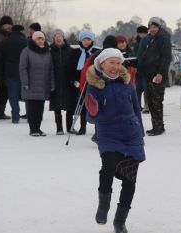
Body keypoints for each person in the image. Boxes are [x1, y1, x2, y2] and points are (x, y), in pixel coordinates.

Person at [84, 48, 145, 233]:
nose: (116, 67)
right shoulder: (95, 85)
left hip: (131, 133)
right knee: (108, 166)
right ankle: (104, 207)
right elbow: (91, 118)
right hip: (108, 132)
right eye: (112, 62)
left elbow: (136, 109)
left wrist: (141, 134)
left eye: (119, 63)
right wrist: (93, 111)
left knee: (130, 180)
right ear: (101, 64)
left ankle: (120, 221)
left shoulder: (128, 83)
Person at [140, 17, 172, 136]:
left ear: (159, 27)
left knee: (156, 101)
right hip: (149, 75)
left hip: (157, 76)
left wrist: (160, 73)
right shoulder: (153, 38)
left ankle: (158, 128)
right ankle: (157, 126)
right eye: (151, 27)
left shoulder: (164, 38)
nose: (152, 29)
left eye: (154, 27)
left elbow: (166, 58)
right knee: (152, 102)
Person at [19, 31, 54, 136]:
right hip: (31, 85)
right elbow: (22, 67)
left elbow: (51, 69)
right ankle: (33, 129)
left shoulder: (47, 52)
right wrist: (25, 82)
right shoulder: (26, 51)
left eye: (42, 38)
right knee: (32, 108)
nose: (40, 40)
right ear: (34, 40)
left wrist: (52, 84)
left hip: (43, 86)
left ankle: (38, 128)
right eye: (38, 38)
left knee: (40, 109)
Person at [69, 30, 99, 135]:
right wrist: (74, 80)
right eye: (84, 39)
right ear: (81, 40)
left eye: (88, 39)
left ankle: (97, 128)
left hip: (93, 83)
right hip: (80, 83)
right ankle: (82, 127)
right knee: (81, 105)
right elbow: (71, 68)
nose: (86, 42)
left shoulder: (95, 52)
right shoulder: (75, 53)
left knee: (95, 105)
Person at [0, 25, 27, 123]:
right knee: (27, 95)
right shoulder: (26, 42)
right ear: (21, 31)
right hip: (24, 72)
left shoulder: (4, 42)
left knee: (12, 96)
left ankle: (15, 116)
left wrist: (1, 72)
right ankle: (31, 115)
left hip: (10, 73)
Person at [49, 29, 77, 135]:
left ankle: (70, 127)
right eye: (56, 36)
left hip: (67, 81)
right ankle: (59, 128)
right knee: (57, 106)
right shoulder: (50, 50)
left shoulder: (70, 50)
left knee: (69, 106)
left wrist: (73, 78)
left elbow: (74, 66)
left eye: (60, 35)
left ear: (63, 37)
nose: (58, 37)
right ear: (54, 38)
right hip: (55, 81)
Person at [134, 26, 149, 114]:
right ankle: (138, 105)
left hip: (146, 68)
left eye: (144, 33)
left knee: (146, 87)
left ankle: (147, 106)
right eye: (140, 33)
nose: (142, 35)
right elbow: (135, 53)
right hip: (137, 68)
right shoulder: (136, 43)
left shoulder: (149, 41)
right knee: (138, 88)